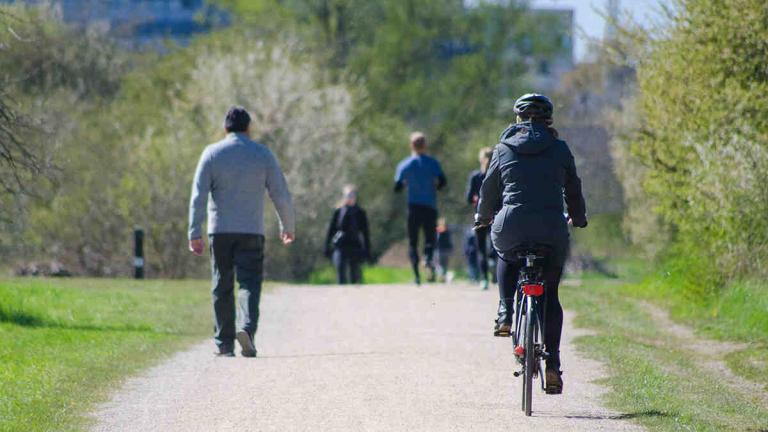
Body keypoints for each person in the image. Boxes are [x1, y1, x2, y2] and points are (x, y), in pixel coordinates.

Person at [475, 93, 587, 394]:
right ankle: (552, 364)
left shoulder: (503, 148)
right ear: (549, 120)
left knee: (506, 252)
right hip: (551, 228)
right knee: (551, 294)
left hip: (512, 224)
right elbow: (573, 188)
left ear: (518, 119)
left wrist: (482, 217)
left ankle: (505, 311)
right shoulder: (560, 148)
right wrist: (578, 217)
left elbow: (488, 190)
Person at [188, 106, 295, 358]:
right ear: (248, 128)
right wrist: (287, 225)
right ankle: (246, 329)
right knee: (249, 283)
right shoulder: (262, 154)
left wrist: (194, 232)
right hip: (251, 230)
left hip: (220, 230)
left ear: (225, 128)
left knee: (221, 284)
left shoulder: (212, 153)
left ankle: (224, 344)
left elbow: (198, 195)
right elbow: (280, 193)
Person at [394, 132, 447, 285]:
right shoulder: (432, 163)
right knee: (430, 238)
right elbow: (443, 181)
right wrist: (433, 187)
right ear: (425, 145)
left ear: (411, 145)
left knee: (413, 241)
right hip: (430, 206)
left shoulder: (405, 165)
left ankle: (417, 277)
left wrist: (406, 184)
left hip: (413, 207)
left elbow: (397, 187)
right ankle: (428, 258)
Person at [324, 185, 371, 285]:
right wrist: (326, 246)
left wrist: (367, 250)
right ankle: (342, 294)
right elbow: (331, 230)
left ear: (355, 197)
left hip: (355, 245)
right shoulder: (338, 211)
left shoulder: (360, 212)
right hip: (340, 245)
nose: (350, 198)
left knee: (355, 275)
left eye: (352, 195)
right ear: (344, 197)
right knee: (340, 270)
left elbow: (365, 233)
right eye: (348, 195)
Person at [466, 147, 496, 290]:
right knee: (496, 244)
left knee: (481, 249)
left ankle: (484, 279)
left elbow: (468, 198)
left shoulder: (475, 177)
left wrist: (475, 199)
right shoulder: (498, 175)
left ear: (480, 159)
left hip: (480, 215)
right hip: (496, 215)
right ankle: (493, 261)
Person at [435, 218, 454, 282]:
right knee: (443, 265)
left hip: (441, 250)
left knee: (441, 265)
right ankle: (443, 277)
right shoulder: (446, 231)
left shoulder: (439, 231)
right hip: (443, 250)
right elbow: (450, 241)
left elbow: (436, 241)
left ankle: (442, 277)